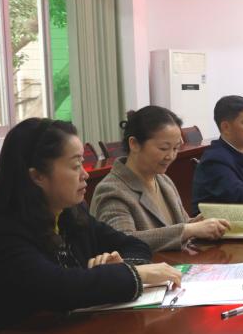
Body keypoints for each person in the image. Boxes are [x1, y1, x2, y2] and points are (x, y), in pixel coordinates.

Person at [0, 118, 182, 330]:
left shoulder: (71, 212)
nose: (85, 174)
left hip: (67, 333)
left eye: (83, 162)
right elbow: (56, 287)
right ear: (37, 176)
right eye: (75, 166)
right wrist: (134, 274)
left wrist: (119, 265)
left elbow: (134, 245)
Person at [90, 106, 230, 252]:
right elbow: (123, 241)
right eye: (163, 148)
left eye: (175, 148)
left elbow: (179, 225)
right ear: (134, 144)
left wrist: (198, 223)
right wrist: (189, 229)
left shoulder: (163, 180)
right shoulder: (112, 190)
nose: (171, 156)